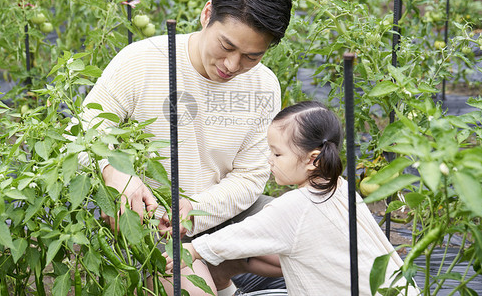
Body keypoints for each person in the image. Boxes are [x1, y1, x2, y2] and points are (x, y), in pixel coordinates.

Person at [76, 0, 292, 294]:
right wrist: (114, 172)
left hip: (215, 214)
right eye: (227, 46)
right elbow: (82, 132)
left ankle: (221, 272)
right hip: (150, 223)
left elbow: (250, 176)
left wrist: (195, 209)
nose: (233, 65)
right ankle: (203, 279)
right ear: (207, 14)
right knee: (189, 285)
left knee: (303, 236)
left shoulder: (263, 85)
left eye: (251, 56)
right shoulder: (142, 61)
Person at [164, 101, 418, 295]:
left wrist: (190, 249)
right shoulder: (339, 188)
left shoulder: (296, 206)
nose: (269, 160)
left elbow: (235, 237)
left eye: (276, 154)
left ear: (312, 159)